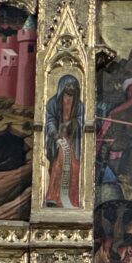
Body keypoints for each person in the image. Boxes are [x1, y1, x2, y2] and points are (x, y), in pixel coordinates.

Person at [44, 75, 85, 208]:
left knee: (75, 167)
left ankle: (72, 199)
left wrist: (72, 123)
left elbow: (81, 119)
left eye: (73, 85)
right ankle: (53, 197)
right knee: (57, 166)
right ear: (62, 87)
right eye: (68, 85)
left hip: (73, 139)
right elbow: (49, 119)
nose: (71, 88)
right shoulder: (53, 102)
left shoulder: (79, 105)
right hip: (58, 138)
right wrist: (54, 132)